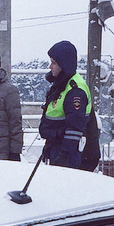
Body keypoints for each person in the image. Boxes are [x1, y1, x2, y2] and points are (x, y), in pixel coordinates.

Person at [39, 40, 92, 169]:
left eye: (54, 63)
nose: (50, 66)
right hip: (56, 146)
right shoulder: (61, 85)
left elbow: (75, 127)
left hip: (67, 152)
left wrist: (64, 156)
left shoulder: (75, 91)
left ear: (64, 65)